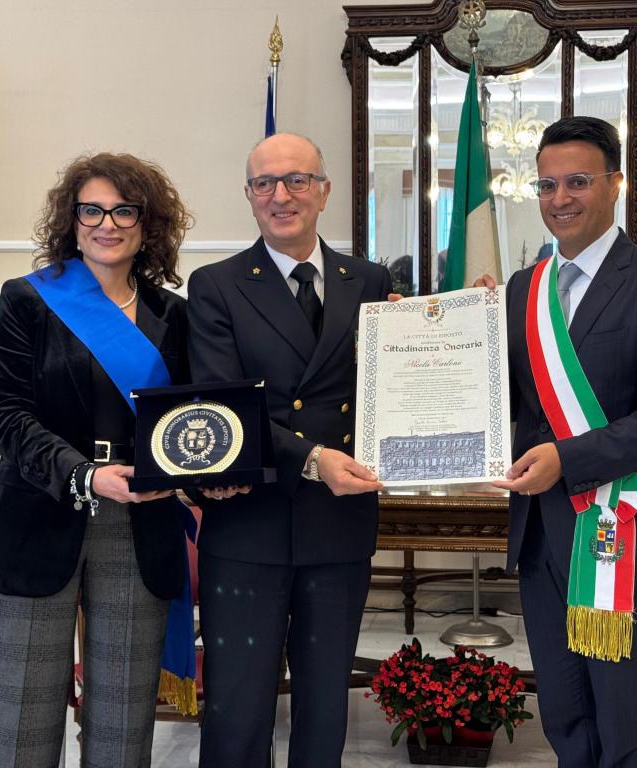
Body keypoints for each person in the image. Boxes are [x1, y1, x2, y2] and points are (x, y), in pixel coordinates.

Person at [484, 116, 637, 767]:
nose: (559, 198)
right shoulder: (524, 289)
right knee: (565, 716)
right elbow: (513, 403)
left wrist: (568, 460)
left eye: (578, 182)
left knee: (622, 720)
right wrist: (438, 343)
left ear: (616, 184)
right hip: (540, 537)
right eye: (546, 185)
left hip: (621, 535)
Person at [0, 152, 195, 767]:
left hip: (139, 519)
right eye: (92, 210)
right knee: (19, 720)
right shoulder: (27, 300)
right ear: (72, 219)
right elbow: (6, 414)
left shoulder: (173, 315)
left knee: (123, 722)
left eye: (124, 211)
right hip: (38, 514)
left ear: (148, 222)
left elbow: (192, 419)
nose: (106, 224)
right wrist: (84, 474)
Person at [186, 132, 391, 768]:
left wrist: (465, 330)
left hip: (339, 527)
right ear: (249, 196)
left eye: (297, 180)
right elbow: (227, 407)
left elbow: (391, 387)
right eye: (265, 183)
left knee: (326, 707)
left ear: (324, 192)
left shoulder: (370, 280)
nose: (281, 195)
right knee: (238, 710)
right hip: (250, 525)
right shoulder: (216, 285)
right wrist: (312, 459)